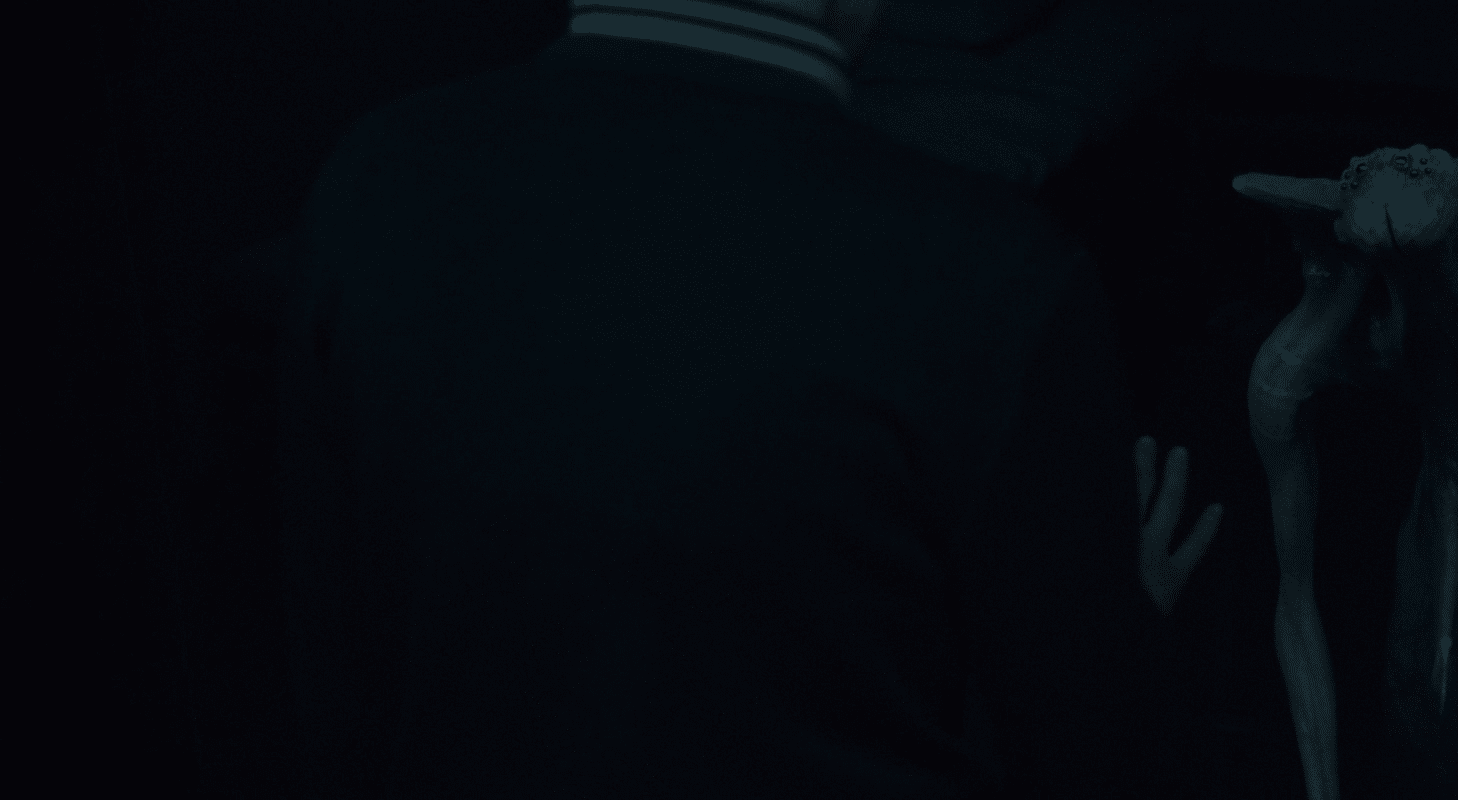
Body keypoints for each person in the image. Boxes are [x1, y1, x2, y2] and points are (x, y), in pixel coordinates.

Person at [275, 1, 1219, 797]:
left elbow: (316, 667)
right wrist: (1111, 636)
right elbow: (1093, 755)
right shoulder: (989, 271)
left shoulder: (376, 176)